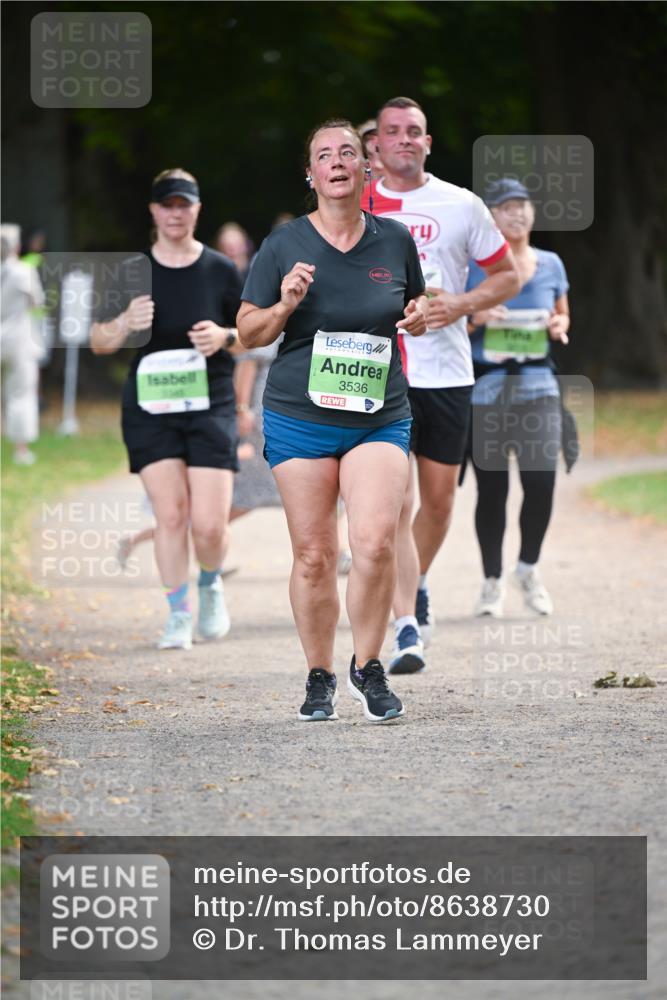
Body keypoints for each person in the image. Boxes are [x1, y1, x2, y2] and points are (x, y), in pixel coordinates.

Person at [237, 118, 427, 723]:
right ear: (311, 174)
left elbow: (414, 305)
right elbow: (247, 331)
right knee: (315, 553)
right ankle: (319, 675)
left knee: (373, 541)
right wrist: (285, 302)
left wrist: (421, 316)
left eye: (349, 151)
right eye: (325, 155)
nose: (339, 161)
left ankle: (367, 666)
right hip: (300, 416)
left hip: (378, 414)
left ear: (367, 167)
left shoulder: (395, 240)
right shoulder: (283, 246)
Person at [362, 96, 520, 673]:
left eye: (416, 131)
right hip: (379, 372)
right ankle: (405, 627)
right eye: (393, 131)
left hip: (448, 373)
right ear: (374, 144)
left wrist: (463, 303)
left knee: (439, 501)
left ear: (428, 142)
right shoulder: (357, 204)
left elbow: (507, 275)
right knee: (396, 501)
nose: (404, 139)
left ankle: (416, 577)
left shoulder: (462, 205)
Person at [90, 168, 242, 650]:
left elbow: (252, 335)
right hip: (151, 407)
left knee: (210, 525)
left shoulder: (220, 269)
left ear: (197, 210)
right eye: (167, 205)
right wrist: (123, 323)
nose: (176, 213)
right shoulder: (131, 270)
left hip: (210, 403)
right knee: (171, 514)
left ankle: (210, 581)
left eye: (185, 205)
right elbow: (97, 341)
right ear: (154, 211)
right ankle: (178, 613)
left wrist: (224, 337)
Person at [466, 178, 570, 617]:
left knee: (542, 483)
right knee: (492, 490)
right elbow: (450, 318)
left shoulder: (550, 263)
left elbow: (562, 314)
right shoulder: (473, 265)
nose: (518, 213)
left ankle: (527, 568)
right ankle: (491, 581)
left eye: (524, 205)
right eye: (507, 207)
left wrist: (559, 327)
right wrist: (476, 315)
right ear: (491, 216)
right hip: (486, 388)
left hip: (537, 387)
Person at [1, 223, 45, 465]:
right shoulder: (23, 271)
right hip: (18, 339)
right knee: (21, 393)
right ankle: (21, 449)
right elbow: (36, 303)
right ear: (16, 246)